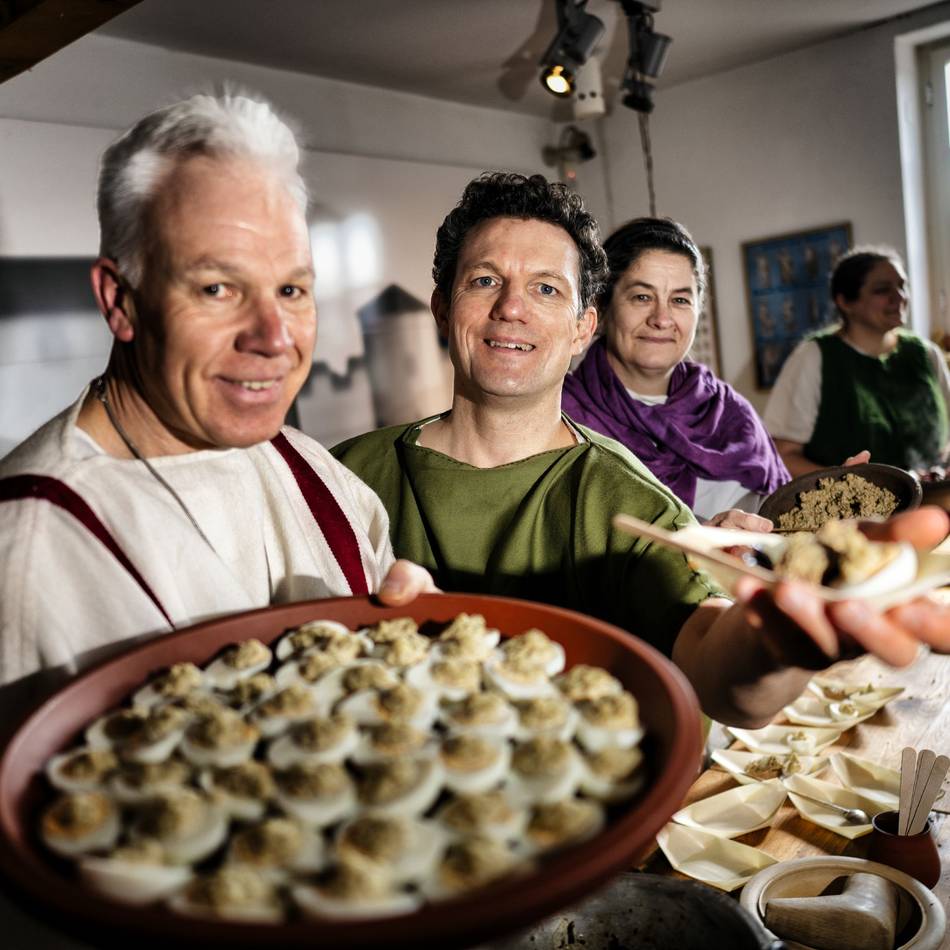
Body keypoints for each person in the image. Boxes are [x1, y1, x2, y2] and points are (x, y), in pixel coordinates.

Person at [333, 172, 950, 728]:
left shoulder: (630, 501)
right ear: (443, 308)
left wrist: (778, 641)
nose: (512, 307)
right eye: (485, 280)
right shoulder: (340, 477)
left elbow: (718, 668)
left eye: (546, 288)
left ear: (582, 327)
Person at [0, 93, 433, 691]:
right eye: (217, 289)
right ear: (120, 301)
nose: (274, 339)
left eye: (290, 290)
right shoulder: (30, 553)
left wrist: (417, 653)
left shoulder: (312, 469)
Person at [561, 217, 788, 528]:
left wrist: (836, 490)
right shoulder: (561, 416)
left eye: (680, 300)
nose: (662, 319)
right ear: (603, 306)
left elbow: (786, 518)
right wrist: (697, 540)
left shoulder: (732, 412)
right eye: (642, 297)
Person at [764, 246, 950, 476]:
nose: (900, 297)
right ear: (845, 302)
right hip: (851, 499)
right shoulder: (814, 357)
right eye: (882, 290)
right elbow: (783, 455)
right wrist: (847, 482)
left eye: (902, 285)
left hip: (934, 495)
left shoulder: (926, 354)